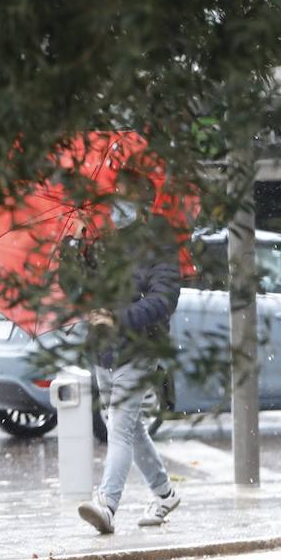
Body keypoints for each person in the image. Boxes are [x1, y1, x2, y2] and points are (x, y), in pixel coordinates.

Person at [69, 167, 184, 533]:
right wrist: (74, 244)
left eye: (122, 193)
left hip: (139, 348)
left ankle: (107, 504)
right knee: (128, 428)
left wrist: (118, 318)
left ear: (141, 202)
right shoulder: (107, 240)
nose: (115, 201)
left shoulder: (160, 242)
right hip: (105, 350)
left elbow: (164, 300)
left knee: (119, 428)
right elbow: (76, 288)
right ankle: (164, 493)